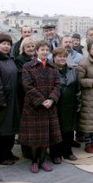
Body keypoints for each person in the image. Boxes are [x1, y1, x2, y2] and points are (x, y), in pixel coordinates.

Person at [20, 41, 62, 173]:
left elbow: (58, 85)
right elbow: (27, 85)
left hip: (50, 106)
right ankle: (34, 161)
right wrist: (41, 100)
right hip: (34, 107)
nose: (44, 52)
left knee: (46, 137)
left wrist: (51, 99)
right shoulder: (28, 66)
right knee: (35, 138)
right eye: (42, 49)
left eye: (46, 50)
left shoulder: (53, 67)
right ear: (37, 51)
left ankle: (42, 161)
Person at [0, 33, 21, 165]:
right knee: (1, 129)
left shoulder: (9, 59)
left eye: (8, 44)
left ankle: (8, 152)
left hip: (13, 99)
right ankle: (0, 156)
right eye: (3, 44)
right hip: (2, 100)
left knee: (11, 127)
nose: (6, 47)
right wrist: (0, 100)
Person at [50, 47, 80, 163]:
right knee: (56, 130)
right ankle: (55, 153)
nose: (62, 58)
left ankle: (67, 152)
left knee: (69, 130)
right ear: (54, 58)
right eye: (59, 56)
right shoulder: (51, 70)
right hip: (57, 105)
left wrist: (78, 103)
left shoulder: (73, 70)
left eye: (64, 56)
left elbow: (77, 88)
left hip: (70, 104)